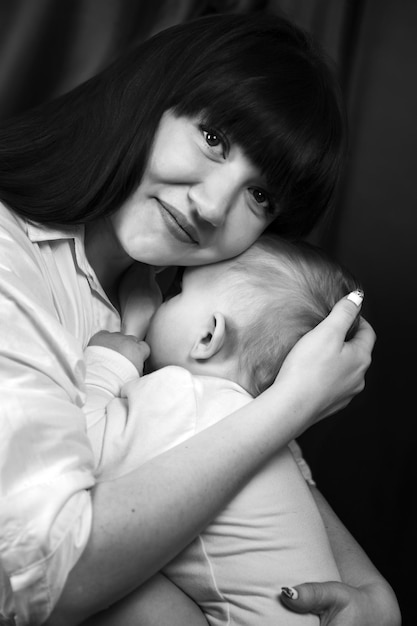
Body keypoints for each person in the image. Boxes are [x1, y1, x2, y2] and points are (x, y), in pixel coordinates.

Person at [0, 11, 399, 626]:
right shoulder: (12, 256)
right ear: (151, 97)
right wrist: (290, 405)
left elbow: (245, 464)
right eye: (214, 138)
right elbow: (49, 577)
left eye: (260, 196)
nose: (212, 206)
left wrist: (370, 591)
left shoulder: (163, 296)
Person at [83, 233, 364, 625]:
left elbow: (83, 453)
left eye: (177, 291)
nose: (164, 297)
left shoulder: (185, 398)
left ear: (207, 337)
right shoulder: (268, 430)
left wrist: (107, 363)